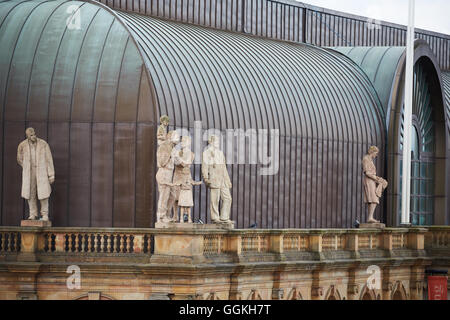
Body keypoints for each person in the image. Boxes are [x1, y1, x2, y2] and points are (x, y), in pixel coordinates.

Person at [17, 128, 55, 221]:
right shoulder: (22, 145)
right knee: (31, 193)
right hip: (30, 172)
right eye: (31, 135)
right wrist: (26, 166)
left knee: (44, 193)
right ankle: (33, 214)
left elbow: (49, 159)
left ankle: (45, 214)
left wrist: (51, 174)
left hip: (42, 171)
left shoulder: (43, 144)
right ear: (27, 136)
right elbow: (19, 159)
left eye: (34, 134)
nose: (33, 136)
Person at [202, 135, 232, 223]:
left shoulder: (220, 153)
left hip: (222, 178)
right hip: (214, 178)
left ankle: (224, 217)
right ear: (211, 142)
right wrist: (206, 178)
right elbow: (205, 167)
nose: (218, 143)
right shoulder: (206, 153)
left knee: (228, 198)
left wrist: (227, 180)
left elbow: (224, 168)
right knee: (215, 200)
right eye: (216, 141)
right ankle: (215, 217)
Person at [156, 130, 180, 223]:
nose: (178, 138)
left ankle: (167, 214)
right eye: (176, 136)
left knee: (172, 195)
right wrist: (170, 154)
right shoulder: (165, 146)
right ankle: (161, 216)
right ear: (170, 136)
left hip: (170, 174)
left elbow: (178, 162)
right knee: (164, 195)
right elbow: (162, 162)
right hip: (164, 173)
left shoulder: (173, 148)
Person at [362, 146, 388, 223]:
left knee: (373, 199)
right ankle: (370, 217)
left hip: (372, 180)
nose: (376, 155)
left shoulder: (370, 160)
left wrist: (378, 179)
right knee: (374, 199)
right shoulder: (366, 159)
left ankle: (370, 217)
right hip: (369, 181)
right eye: (376, 153)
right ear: (372, 152)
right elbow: (367, 172)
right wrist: (377, 178)